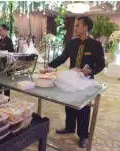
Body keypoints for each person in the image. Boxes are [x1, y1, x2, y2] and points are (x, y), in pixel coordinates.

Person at [43, 16, 105, 148]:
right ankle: (69, 127)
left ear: (85, 28)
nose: (75, 27)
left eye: (78, 25)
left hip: (86, 81)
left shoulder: (95, 45)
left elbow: (101, 65)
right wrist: (49, 66)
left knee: (83, 108)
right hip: (71, 79)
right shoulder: (72, 43)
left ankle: (83, 135)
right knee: (69, 103)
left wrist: (90, 71)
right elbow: (62, 58)